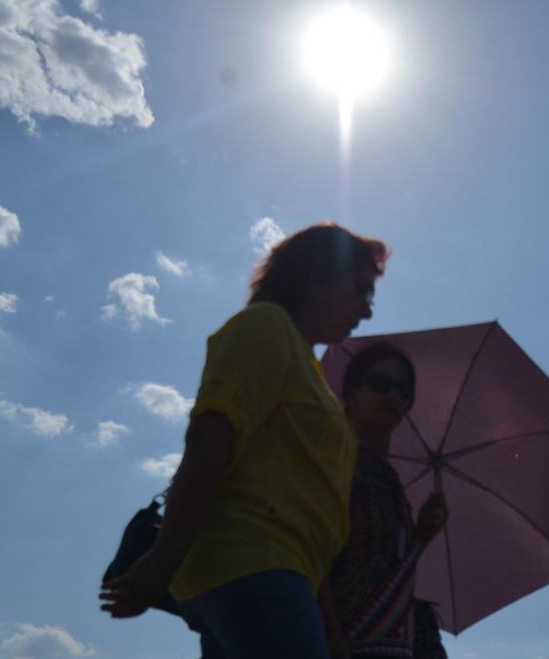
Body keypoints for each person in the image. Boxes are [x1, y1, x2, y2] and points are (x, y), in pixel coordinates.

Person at [100, 222, 388, 659]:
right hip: (251, 563)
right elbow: (210, 438)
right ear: (316, 277)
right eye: (360, 290)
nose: (367, 310)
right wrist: (162, 560)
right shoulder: (265, 327)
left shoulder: (307, 368)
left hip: (278, 572)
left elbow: (306, 518)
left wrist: (330, 632)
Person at [325, 343, 450, 659]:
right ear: (352, 391)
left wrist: (421, 536)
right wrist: (329, 635)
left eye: (404, 390)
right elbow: (310, 553)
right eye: (380, 383)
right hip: (338, 639)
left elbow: (383, 567)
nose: (393, 395)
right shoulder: (331, 460)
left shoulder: (390, 482)